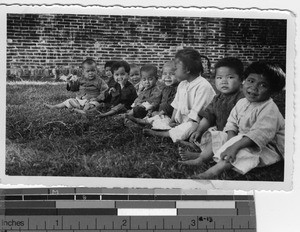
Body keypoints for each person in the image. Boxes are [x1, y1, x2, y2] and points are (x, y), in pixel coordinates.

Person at [187, 61, 285, 179]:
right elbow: (231, 124)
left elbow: (260, 134)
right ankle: (202, 158)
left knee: (240, 151)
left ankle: (212, 172)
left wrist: (234, 147)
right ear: (244, 81)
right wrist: (230, 142)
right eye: (251, 81)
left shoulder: (269, 108)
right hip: (242, 138)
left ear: (273, 91)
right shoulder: (242, 102)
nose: (254, 87)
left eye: (263, 85)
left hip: (265, 146)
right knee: (218, 135)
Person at [143, 47, 216, 142]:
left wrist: (184, 125)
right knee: (164, 118)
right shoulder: (182, 84)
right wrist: (172, 120)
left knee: (191, 127)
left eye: (176, 69)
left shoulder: (203, 86)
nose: (174, 71)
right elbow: (176, 105)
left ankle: (163, 134)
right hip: (181, 121)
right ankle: (164, 126)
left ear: (188, 70)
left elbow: (196, 113)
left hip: (198, 123)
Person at [179, 57, 244, 161]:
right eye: (219, 78)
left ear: (241, 79)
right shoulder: (217, 98)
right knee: (203, 131)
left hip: (233, 134)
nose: (224, 81)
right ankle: (197, 145)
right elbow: (209, 116)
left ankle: (201, 157)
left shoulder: (242, 98)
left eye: (230, 77)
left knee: (220, 139)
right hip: (218, 130)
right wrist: (199, 131)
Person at [126, 60, 179, 129]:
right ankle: (135, 119)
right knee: (147, 112)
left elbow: (171, 104)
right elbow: (159, 100)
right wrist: (152, 108)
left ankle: (141, 122)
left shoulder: (177, 89)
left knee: (160, 120)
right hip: (159, 110)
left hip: (170, 114)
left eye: (172, 74)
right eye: (165, 74)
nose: (167, 77)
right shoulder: (165, 88)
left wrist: (159, 112)